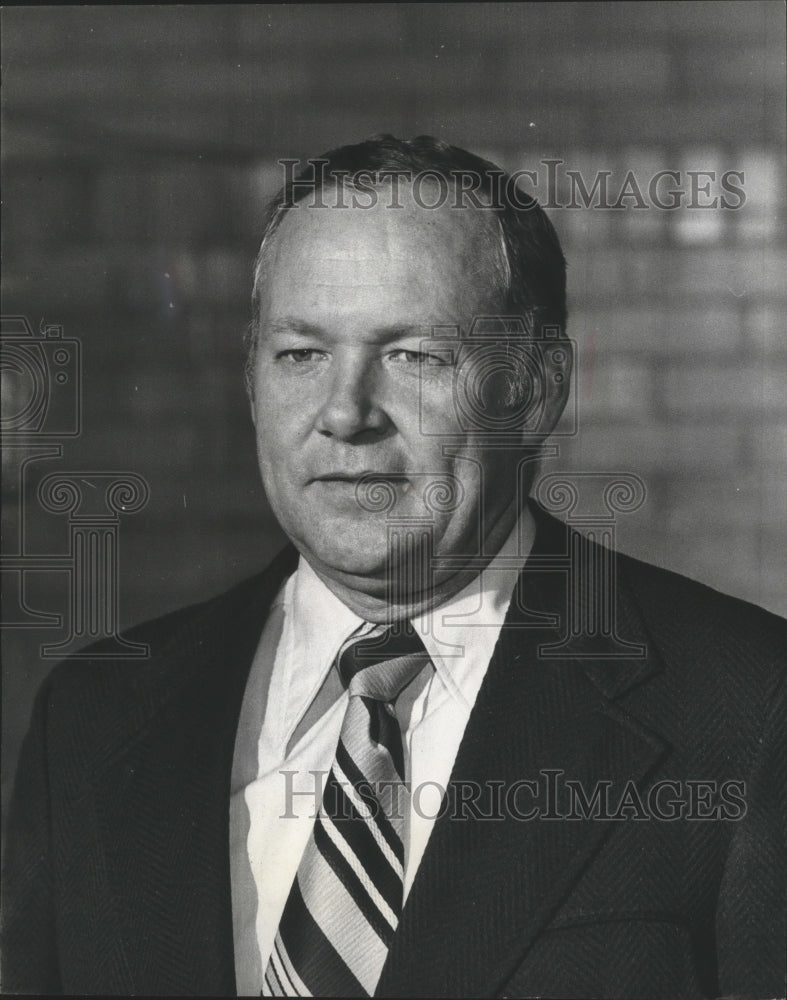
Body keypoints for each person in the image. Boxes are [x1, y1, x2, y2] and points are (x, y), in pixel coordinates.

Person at [2, 135, 785, 999]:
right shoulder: (92, 722)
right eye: (300, 354)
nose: (344, 413)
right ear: (252, 381)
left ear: (535, 388)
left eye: (414, 356)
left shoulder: (744, 710)